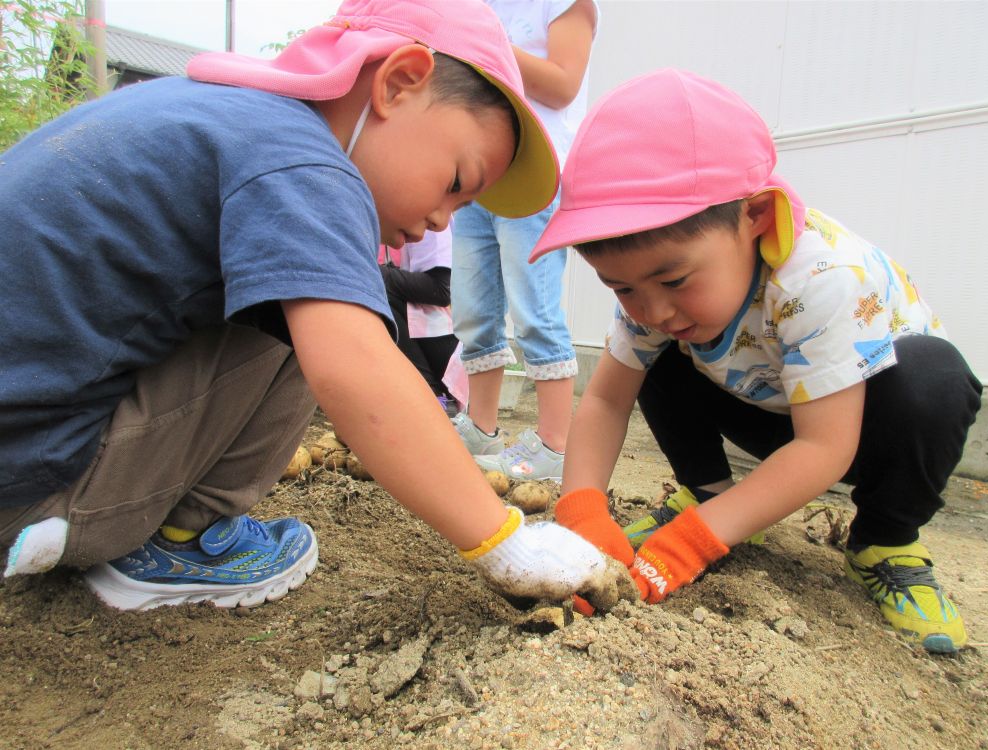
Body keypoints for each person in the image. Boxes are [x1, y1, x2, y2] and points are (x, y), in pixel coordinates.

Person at [0, 0, 621, 613]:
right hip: (41, 487)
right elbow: (354, 367)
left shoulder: (223, 113)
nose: (442, 219)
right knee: (330, 305)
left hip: (30, 455)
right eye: (457, 183)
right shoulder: (301, 157)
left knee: (310, 291)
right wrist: (506, 543)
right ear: (400, 82)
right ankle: (176, 539)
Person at [533, 69, 983, 653]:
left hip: (866, 427)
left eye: (673, 278)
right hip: (765, 405)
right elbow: (605, 398)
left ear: (757, 219)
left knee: (936, 379)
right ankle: (712, 494)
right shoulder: (656, 301)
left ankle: (885, 541)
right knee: (651, 353)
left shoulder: (821, 277)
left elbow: (824, 447)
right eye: (622, 288)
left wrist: (690, 546)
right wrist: (583, 511)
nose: (654, 306)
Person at [450, 0, 599, 481]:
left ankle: (555, 447)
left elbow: (562, 85)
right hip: (477, 169)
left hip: (534, 171)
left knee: (534, 308)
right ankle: (480, 427)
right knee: (473, 309)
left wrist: (483, 46)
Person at [379, 226, 466, 417]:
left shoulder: (429, 223)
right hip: (419, 333)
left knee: (378, 293)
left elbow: (442, 290)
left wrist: (372, 272)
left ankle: (438, 402)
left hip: (441, 340)